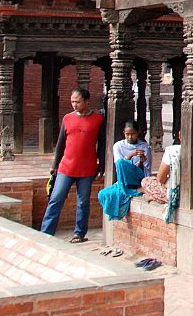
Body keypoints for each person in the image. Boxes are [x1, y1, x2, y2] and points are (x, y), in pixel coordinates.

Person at [41, 88, 105, 243]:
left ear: (87, 101)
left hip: (87, 168)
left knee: (83, 202)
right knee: (56, 198)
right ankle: (45, 232)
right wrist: (54, 165)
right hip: (66, 167)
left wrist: (101, 166)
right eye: (72, 102)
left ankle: (79, 233)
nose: (74, 104)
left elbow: (102, 144)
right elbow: (60, 143)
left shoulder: (98, 119)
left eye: (78, 101)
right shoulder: (67, 118)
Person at [111, 120, 152, 187]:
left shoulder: (144, 147)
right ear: (124, 133)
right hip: (124, 180)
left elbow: (145, 170)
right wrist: (131, 155)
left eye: (133, 134)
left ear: (137, 133)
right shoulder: (118, 146)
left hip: (140, 180)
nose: (130, 137)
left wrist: (141, 162)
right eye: (127, 134)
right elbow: (120, 166)